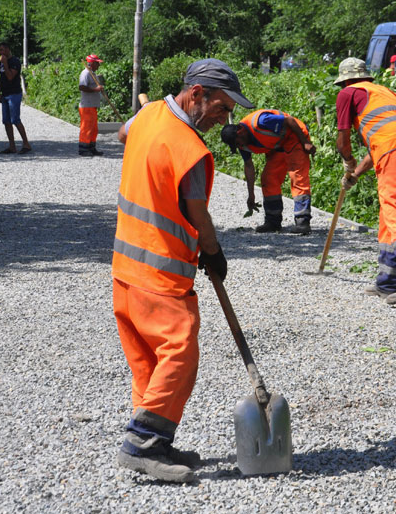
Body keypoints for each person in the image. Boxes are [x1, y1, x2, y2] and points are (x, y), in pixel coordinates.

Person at [112, 58, 255, 484]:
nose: (224, 118)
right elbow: (199, 215)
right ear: (197, 94)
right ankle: (140, 443)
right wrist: (213, 252)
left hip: (126, 267)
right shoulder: (189, 150)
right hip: (161, 272)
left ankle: (155, 441)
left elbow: (123, 134)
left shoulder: (151, 113)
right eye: (222, 107)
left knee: (149, 360)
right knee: (180, 352)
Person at [334, 57, 396, 305]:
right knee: (392, 215)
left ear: (346, 80)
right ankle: (388, 282)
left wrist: (347, 161)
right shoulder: (385, 92)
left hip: (393, 151)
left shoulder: (348, 93)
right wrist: (355, 174)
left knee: (394, 214)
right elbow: (378, 148)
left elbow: (342, 140)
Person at [220, 110, 316, 234]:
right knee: (268, 179)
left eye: (238, 142)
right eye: (236, 145)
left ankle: (302, 222)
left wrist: (305, 142)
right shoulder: (242, 145)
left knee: (297, 176)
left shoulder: (260, 121)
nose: (240, 145)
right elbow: (249, 166)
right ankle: (273, 222)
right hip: (278, 146)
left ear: (240, 130)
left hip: (295, 137)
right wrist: (251, 195)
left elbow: (290, 121)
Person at [0, 42, 32, 154]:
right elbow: (2, 77)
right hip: (5, 94)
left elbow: (10, 76)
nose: (0, 52)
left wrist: (5, 63)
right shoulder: (2, 62)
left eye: (2, 50)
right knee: (6, 121)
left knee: (15, 119)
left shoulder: (14, 61)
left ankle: (26, 144)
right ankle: (12, 146)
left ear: (7, 49)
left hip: (14, 94)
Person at [78, 54, 104, 156]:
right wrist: (95, 90)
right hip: (86, 106)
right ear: (92, 63)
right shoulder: (85, 73)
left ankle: (91, 148)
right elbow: (82, 87)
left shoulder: (92, 73)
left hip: (92, 106)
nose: (99, 65)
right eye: (97, 63)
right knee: (86, 128)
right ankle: (83, 149)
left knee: (93, 128)